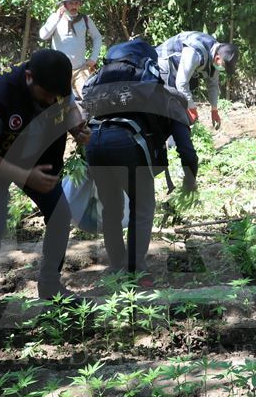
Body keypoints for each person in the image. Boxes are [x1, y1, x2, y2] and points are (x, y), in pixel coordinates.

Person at [0, 49, 90, 312]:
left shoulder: (56, 86)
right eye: (45, 96)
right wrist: (24, 176)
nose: (49, 102)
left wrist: (77, 128)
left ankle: (50, 286)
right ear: (30, 77)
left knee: (59, 214)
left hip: (35, 158)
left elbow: (69, 109)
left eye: (55, 96)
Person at [82, 39, 199, 283]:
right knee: (142, 207)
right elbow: (186, 151)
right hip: (126, 145)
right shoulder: (169, 100)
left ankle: (116, 266)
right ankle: (136, 271)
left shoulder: (106, 89)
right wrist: (190, 180)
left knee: (111, 208)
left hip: (93, 144)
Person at [155, 32, 239, 129]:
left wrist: (214, 109)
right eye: (224, 66)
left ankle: (178, 139)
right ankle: (171, 142)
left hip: (178, 70)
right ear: (217, 58)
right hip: (163, 63)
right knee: (173, 108)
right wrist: (191, 108)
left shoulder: (216, 53)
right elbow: (181, 83)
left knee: (181, 110)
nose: (223, 69)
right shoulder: (195, 52)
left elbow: (213, 85)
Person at [39, 0, 103, 98]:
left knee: (89, 98)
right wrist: (57, 17)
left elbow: (97, 37)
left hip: (80, 69)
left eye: (76, 3)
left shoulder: (85, 19)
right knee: (59, 103)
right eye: (70, 3)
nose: (74, 6)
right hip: (59, 71)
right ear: (64, 4)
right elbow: (43, 35)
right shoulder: (55, 18)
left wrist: (93, 59)